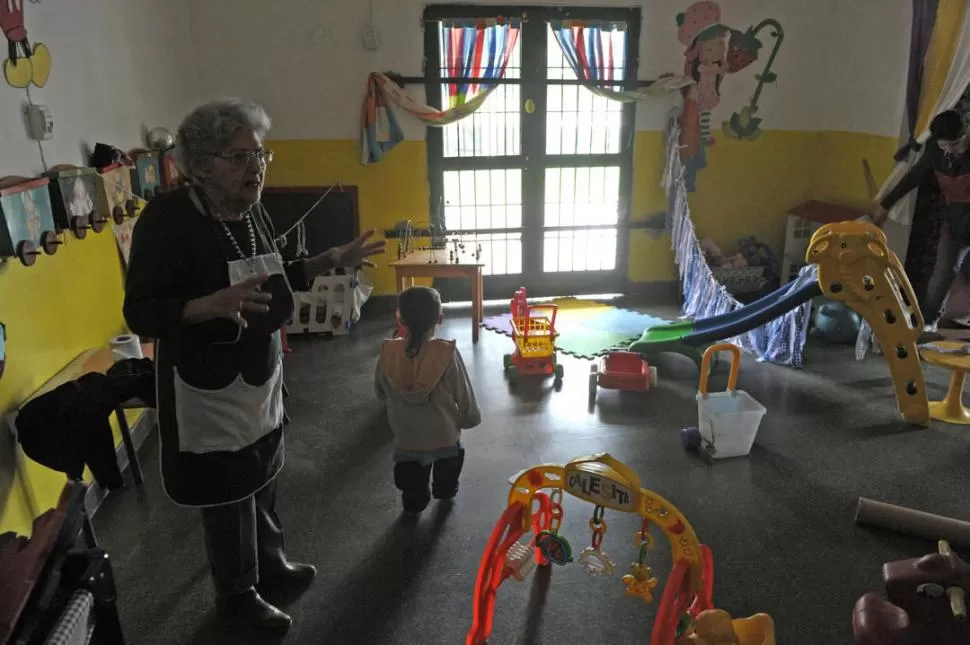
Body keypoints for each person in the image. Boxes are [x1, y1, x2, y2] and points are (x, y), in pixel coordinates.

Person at [123, 98, 384, 632]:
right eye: (240, 158)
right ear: (201, 163)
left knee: (263, 471)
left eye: (260, 157)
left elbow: (274, 274)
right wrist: (202, 306)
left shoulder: (251, 212)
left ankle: (270, 564)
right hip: (206, 385)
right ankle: (236, 595)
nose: (255, 170)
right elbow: (139, 310)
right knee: (226, 490)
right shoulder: (167, 220)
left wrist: (327, 262)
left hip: (260, 374)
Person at [374, 287, 481, 515]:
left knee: (410, 471)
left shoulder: (387, 352)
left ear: (400, 318)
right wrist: (469, 416)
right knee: (450, 458)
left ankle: (414, 500)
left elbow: (380, 391)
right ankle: (445, 490)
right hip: (443, 433)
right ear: (440, 319)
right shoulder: (445, 353)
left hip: (407, 434)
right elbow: (463, 392)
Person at [872, 109, 970, 337]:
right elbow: (915, 176)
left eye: (955, 145)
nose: (950, 151)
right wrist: (885, 205)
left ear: (966, 133)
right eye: (945, 146)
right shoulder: (937, 152)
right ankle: (927, 322)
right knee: (942, 272)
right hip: (954, 223)